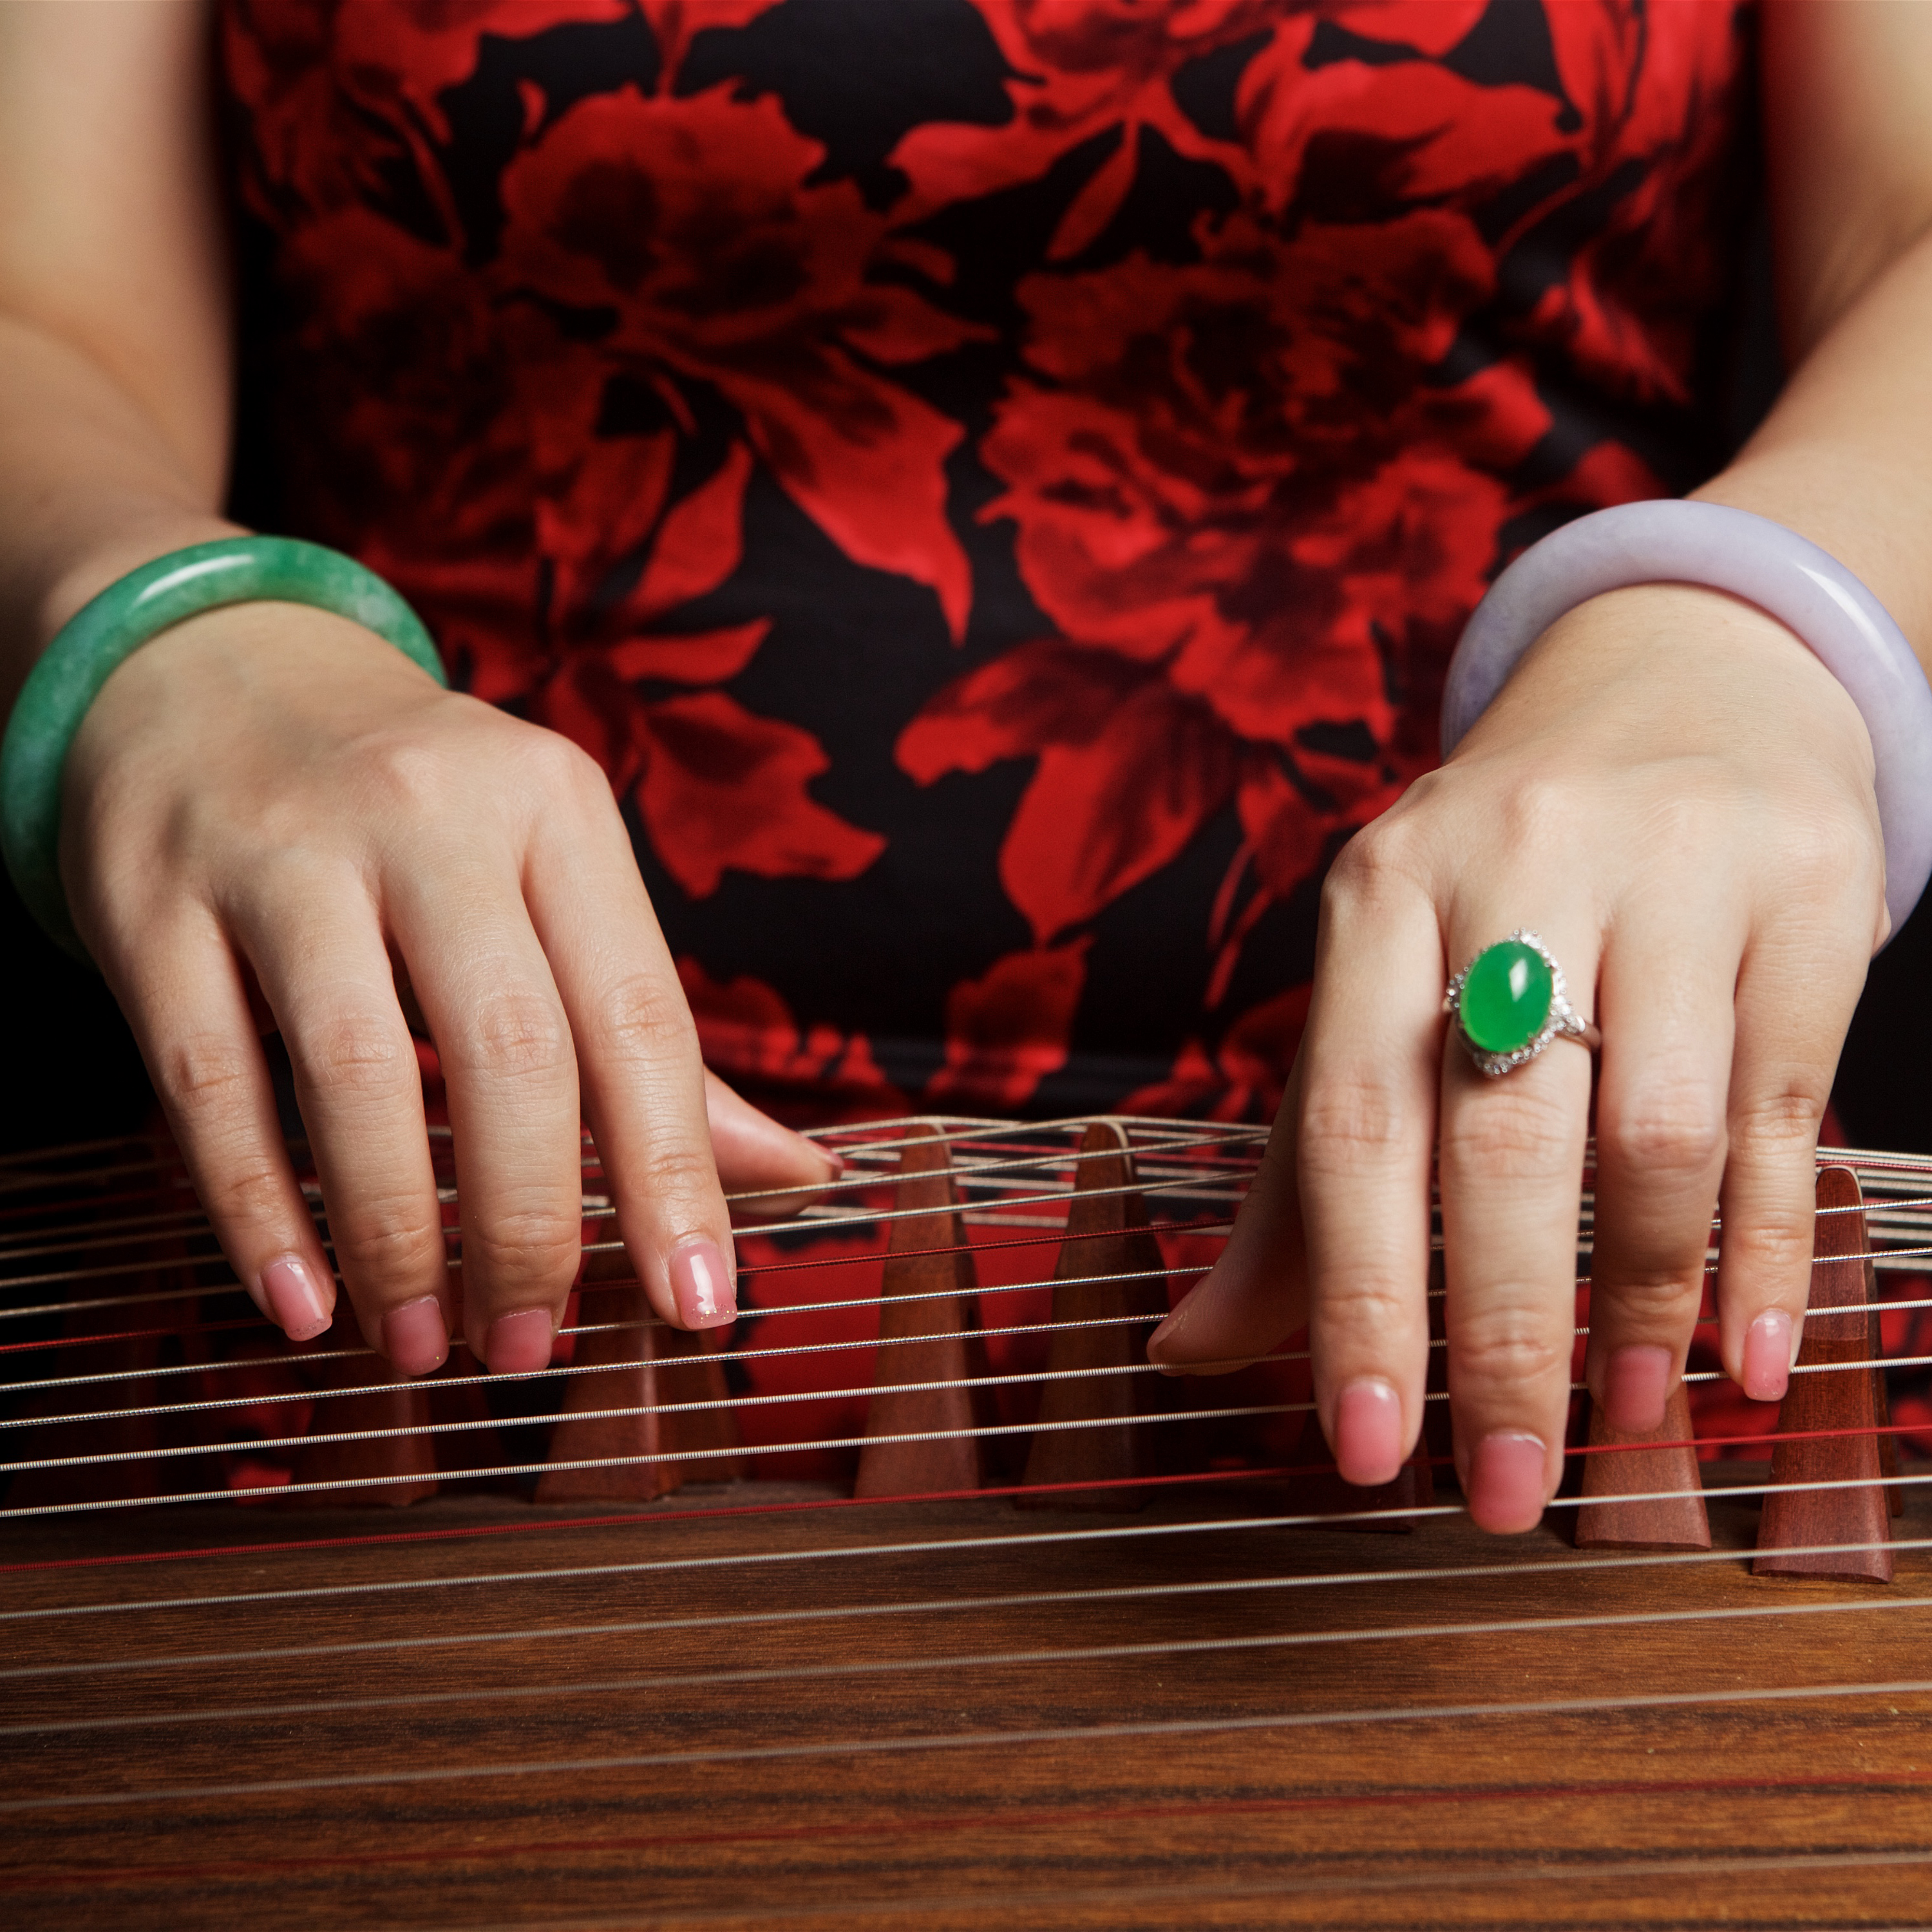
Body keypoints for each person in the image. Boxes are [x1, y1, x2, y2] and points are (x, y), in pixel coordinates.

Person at [2, 1, 1927, 1533]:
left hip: (1543, 1260)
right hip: (410, 1292)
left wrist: (1743, 627)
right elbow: (43, 305)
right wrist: (171, 623)